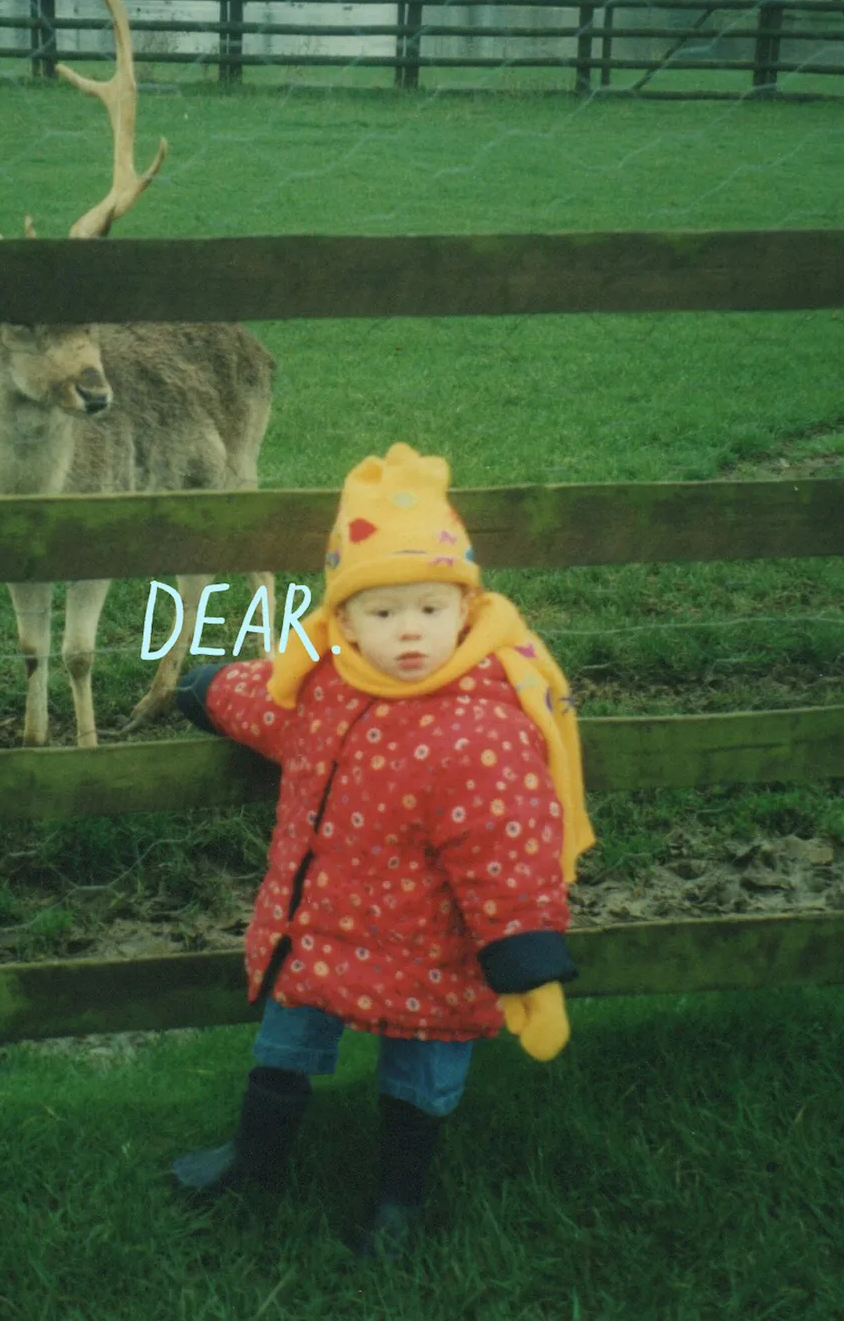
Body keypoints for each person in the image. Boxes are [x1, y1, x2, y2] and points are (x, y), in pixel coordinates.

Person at [168, 442, 595, 1256]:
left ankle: (399, 1198)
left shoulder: (482, 725)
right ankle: (253, 1159)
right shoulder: (327, 683)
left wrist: (523, 943)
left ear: (462, 611)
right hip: (322, 929)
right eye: (383, 611)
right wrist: (209, 688)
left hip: (434, 948)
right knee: (283, 1045)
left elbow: (507, 843)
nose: (409, 631)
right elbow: (269, 703)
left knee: (422, 1074)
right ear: (342, 621)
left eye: (430, 610)